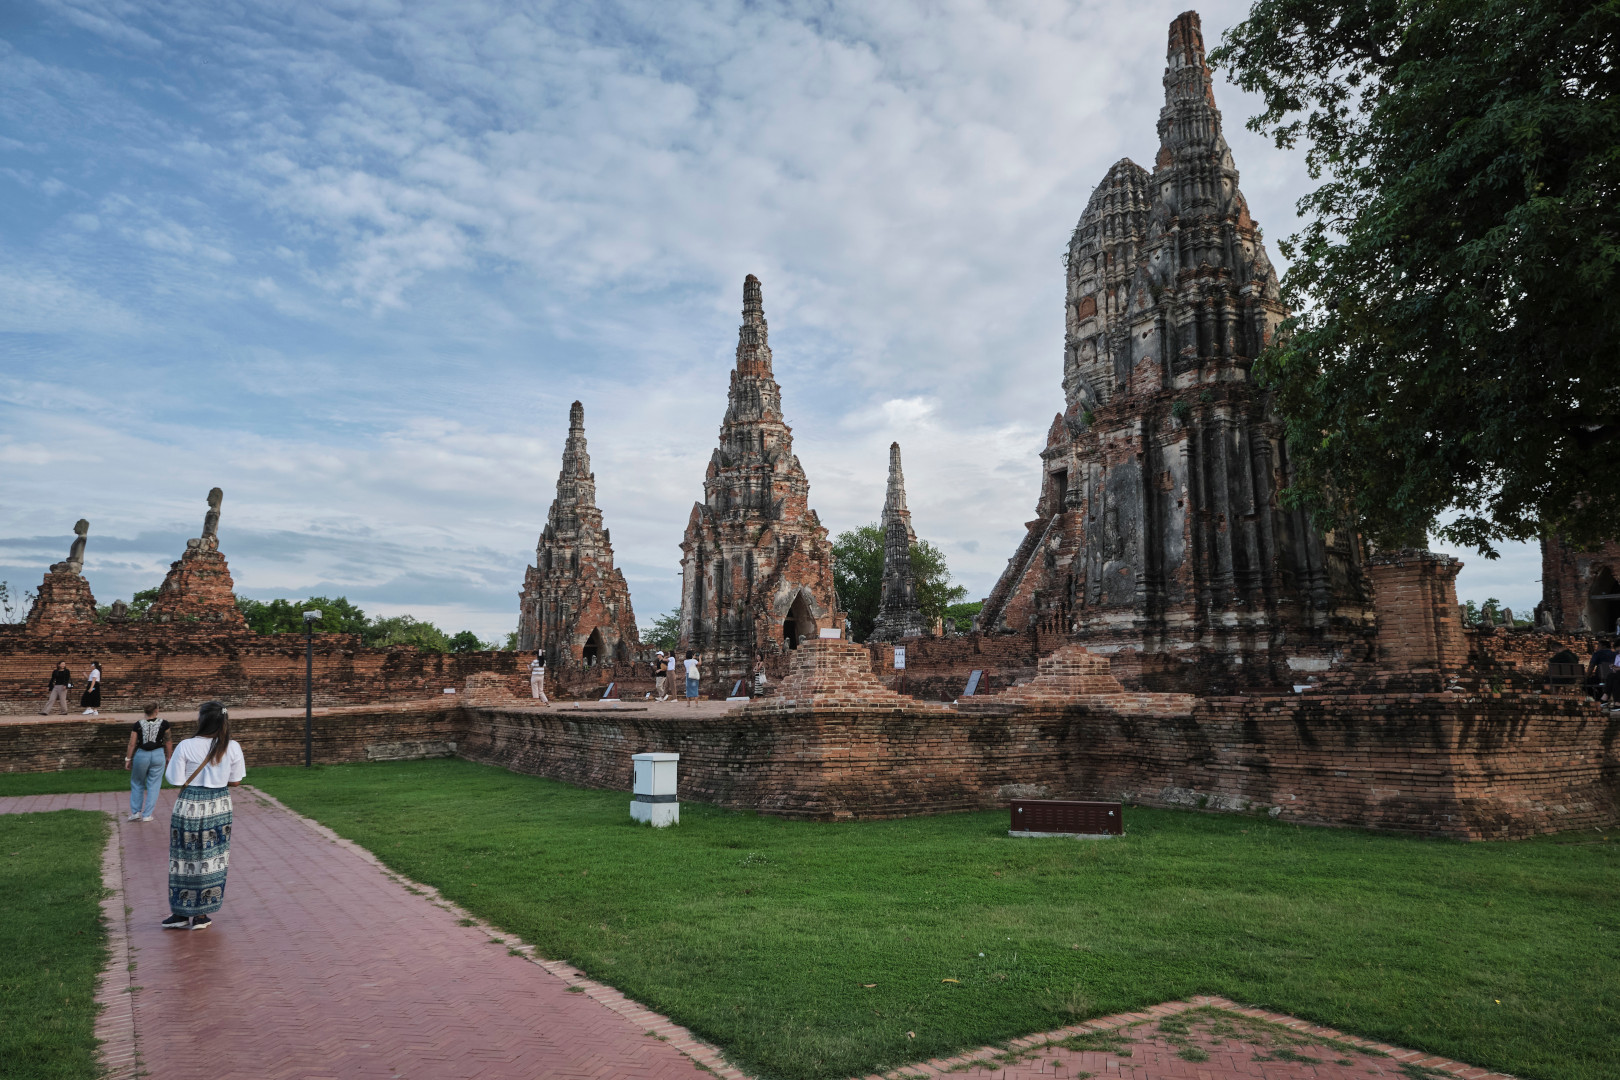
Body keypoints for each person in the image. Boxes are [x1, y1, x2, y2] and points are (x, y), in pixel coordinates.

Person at [162, 701, 246, 931]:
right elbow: (236, 781)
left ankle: (180, 912)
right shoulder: (232, 747)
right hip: (219, 805)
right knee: (212, 857)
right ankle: (201, 914)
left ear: (201, 720)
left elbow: (175, 779)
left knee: (183, 857)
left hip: (190, 802)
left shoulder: (186, 746)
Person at [123, 704, 173, 822]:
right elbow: (168, 741)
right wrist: (169, 757)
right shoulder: (164, 724)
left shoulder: (138, 724)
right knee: (154, 784)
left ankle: (136, 812)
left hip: (142, 754)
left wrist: (128, 759)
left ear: (145, 711)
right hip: (158, 754)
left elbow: (132, 744)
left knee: (137, 782)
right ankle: (147, 815)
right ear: (156, 710)